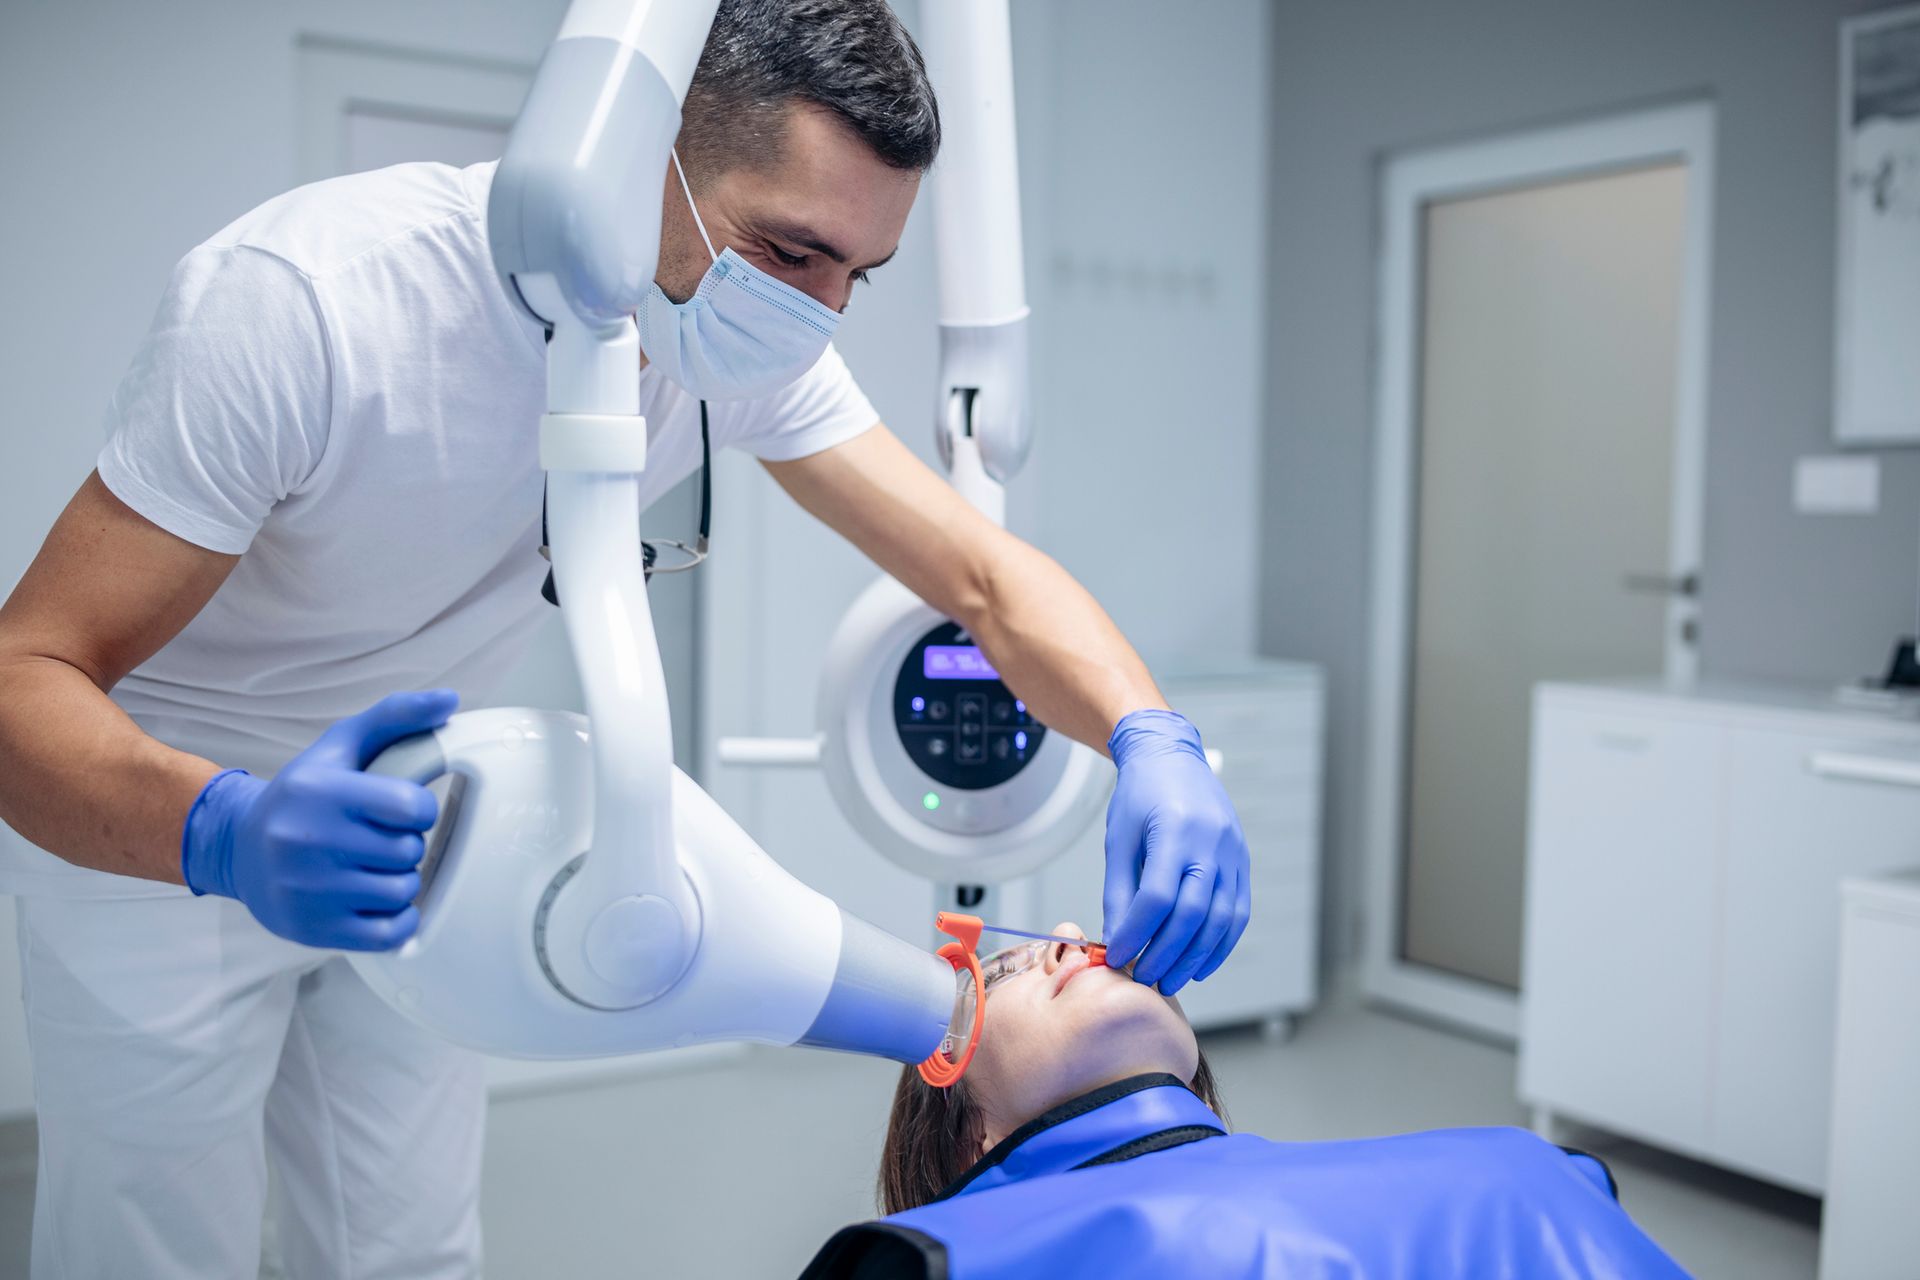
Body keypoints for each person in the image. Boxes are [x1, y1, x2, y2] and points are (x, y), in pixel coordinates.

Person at [0, 3, 1251, 1277]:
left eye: (854, 275)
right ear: (633, 148)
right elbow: (22, 680)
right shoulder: (308, 304)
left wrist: (1153, 734)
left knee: (408, 1243)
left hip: (427, 824)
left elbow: (983, 577)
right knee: (150, 1247)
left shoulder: (724, 335)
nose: (818, 312)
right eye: (792, 251)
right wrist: (227, 830)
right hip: (156, 826)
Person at [800, 924, 1691, 1280]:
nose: (1070, 939)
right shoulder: (944, 1261)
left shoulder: (1535, 1169)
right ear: (971, 1141)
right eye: (1007, 971)